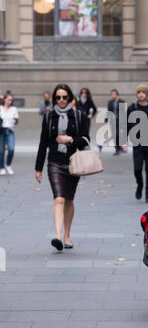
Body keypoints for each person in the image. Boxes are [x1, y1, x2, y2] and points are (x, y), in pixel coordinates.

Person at [35, 84, 90, 251]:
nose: (61, 100)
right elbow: (43, 143)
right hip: (55, 163)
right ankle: (58, 236)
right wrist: (38, 168)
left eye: (64, 97)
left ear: (70, 98)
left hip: (73, 163)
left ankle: (67, 235)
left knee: (69, 200)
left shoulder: (79, 116)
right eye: (58, 97)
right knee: (59, 199)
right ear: (54, 99)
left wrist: (69, 139)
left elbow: (86, 140)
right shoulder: (49, 117)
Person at [127, 85, 148, 203]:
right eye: (139, 92)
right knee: (137, 169)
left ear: (147, 94)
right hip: (138, 144)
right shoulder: (133, 108)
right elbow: (126, 125)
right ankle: (140, 185)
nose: (141, 94)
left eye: (143, 92)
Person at [0, 92, 19, 175]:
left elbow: (17, 120)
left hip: (10, 131)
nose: (10, 102)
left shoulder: (14, 109)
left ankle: (8, 165)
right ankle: (2, 167)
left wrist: (15, 121)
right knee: (1, 151)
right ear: (4, 99)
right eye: (8, 100)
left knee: (11, 149)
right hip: (1, 131)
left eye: (11, 100)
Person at [105, 89, 126, 156]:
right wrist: (106, 120)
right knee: (114, 135)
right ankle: (117, 149)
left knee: (119, 135)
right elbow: (108, 112)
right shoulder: (110, 102)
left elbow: (124, 112)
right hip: (113, 121)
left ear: (117, 94)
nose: (112, 95)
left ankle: (119, 148)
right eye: (112, 94)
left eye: (114, 94)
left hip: (120, 121)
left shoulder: (122, 101)